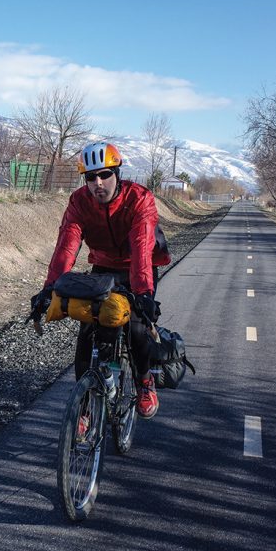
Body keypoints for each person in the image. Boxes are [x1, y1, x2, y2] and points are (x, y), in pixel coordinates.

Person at [31, 140, 171, 418]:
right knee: (88, 330)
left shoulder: (139, 198)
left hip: (137, 267)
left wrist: (143, 294)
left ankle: (144, 382)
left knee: (137, 327)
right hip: (104, 268)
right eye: (91, 177)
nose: (98, 183)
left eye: (105, 174)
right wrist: (49, 288)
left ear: (117, 173)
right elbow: (66, 246)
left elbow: (142, 247)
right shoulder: (79, 202)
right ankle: (83, 409)